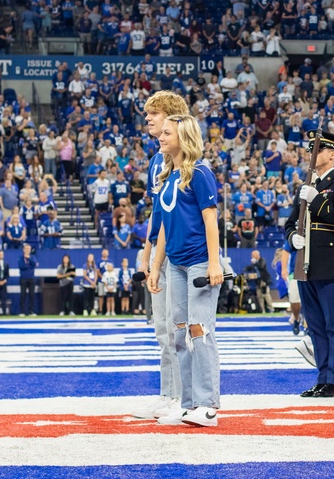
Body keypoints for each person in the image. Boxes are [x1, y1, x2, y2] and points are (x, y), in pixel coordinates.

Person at [147, 113, 224, 427]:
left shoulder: (201, 172)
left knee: (199, 329)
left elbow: (210, 220)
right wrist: (155, 266)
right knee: (178, 332)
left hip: (199, 263)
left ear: (184, 136)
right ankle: (187, 403)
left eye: (167, 133)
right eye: (161, 132)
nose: (161, 138)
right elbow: (164, 226)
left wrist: (215, 262)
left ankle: (208, 404)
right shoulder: (168, 176)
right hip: (175, 265)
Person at [133, 90, 189, 421]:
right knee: (162, 328)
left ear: (171, 116)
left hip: (180, 251)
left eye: (155, 113)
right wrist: (147, 254)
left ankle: (182, 395)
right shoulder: (156, 160)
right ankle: (168, 392)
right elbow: (157, 213)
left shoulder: (184, 157)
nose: (149, 119)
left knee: (177, 326)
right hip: (160, 251)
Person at [286, 129, 334, 398]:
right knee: (315, 324)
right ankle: (323, 377)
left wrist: (317, 199)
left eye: (317, 150)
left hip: (328, 260)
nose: (311, 155)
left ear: (331, 154)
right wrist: (293, 238)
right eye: (309, 150)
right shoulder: (305, 185)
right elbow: (291, 222)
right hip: (306, 262)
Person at [18, 244, 38, 316]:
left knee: (31, 295)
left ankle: (31, 311)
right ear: (23, 250)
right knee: (23, 295)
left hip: (31, 278)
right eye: (26, 249)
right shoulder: (20, 258)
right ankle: (22, 311)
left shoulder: (32, 257)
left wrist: (29, 259)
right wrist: (30, 266)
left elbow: (35, 264)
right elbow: (21, 266)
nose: (27, 250)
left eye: (29, 249)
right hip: (23, 278)